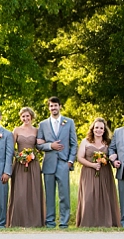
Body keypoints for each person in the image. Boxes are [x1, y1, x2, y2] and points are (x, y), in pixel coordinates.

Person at [36, 96, 77, 229]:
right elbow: (38, 145)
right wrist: (50, 146)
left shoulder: (69, 122)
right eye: (51, 106)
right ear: (49, 108)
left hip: (63, 163)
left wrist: (70, 161)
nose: (53, 108)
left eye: (55, 105)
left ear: (60, 106)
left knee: (64, 195)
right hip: (48, 163)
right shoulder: (43, 124)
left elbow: (74, 144)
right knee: (49, 195)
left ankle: (64, 222)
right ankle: (50, 222)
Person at [74, 118, 120, 227]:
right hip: (89, 172)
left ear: (104, 130)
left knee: (105, 197)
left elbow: (112, 155)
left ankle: (105, 222)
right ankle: (88, 222)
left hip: (104, 173)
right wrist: (93, 165)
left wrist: (113, 158)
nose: (98, 130)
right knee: (89, 197)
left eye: (101, 128)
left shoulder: (108, 143)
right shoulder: (85, 141)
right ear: (92, 129)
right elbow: (80, 158)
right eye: (96, 127)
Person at [7, 106, 45, 227]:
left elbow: (40, 147)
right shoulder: (16, 130)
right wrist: (19, 157)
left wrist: (35, 152)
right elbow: (11, 148)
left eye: (27, 116)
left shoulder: (37, 131)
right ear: (20, 117)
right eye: (23, 116)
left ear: (31, 117)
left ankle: (35, 221)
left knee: (33, 191)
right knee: (20, 192)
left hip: (33, 164)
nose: (25, 118)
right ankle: (18, 220)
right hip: (20, 164)